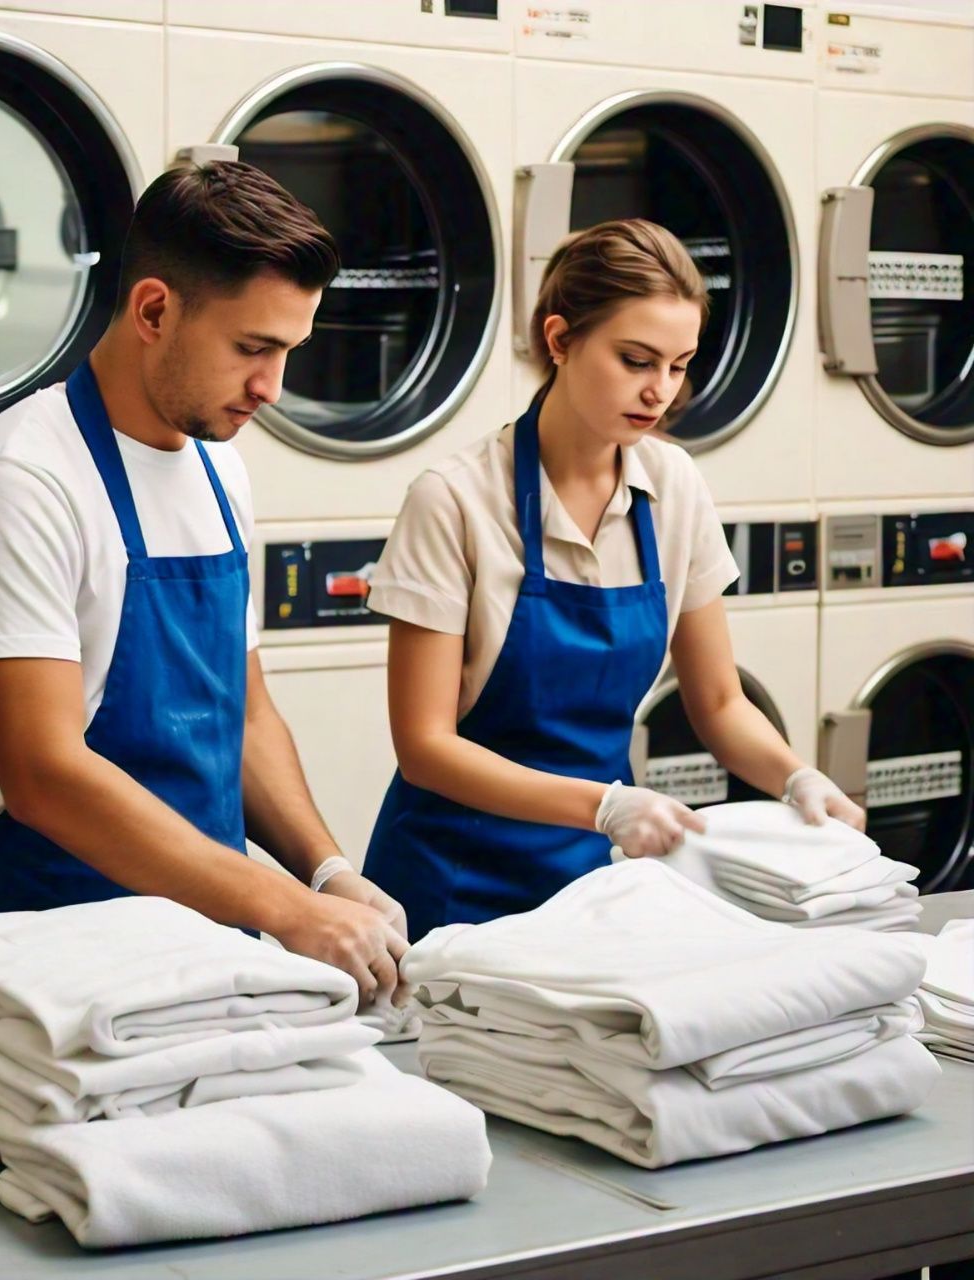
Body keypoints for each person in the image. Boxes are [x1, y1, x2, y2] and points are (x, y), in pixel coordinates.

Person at [0, 161, 407, 1006]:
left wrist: (325, 873)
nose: (272, 387)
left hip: (214, 946)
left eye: (289, 351)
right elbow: (43, 773)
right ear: (154, 309)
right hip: (57, 958)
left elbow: (246, 715)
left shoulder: (222, 473)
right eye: (252, 348)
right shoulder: (19, 482)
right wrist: (287, 906)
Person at [361, 219, 866, 942]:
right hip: (452, 883)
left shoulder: (674, 486)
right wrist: (603, 806)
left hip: (591, 882)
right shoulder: (456, 500)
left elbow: (719, 702)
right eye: (636, 360)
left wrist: (796, 777)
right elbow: (425, 745)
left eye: (679, 364)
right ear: (561, 340)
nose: (660, 391)